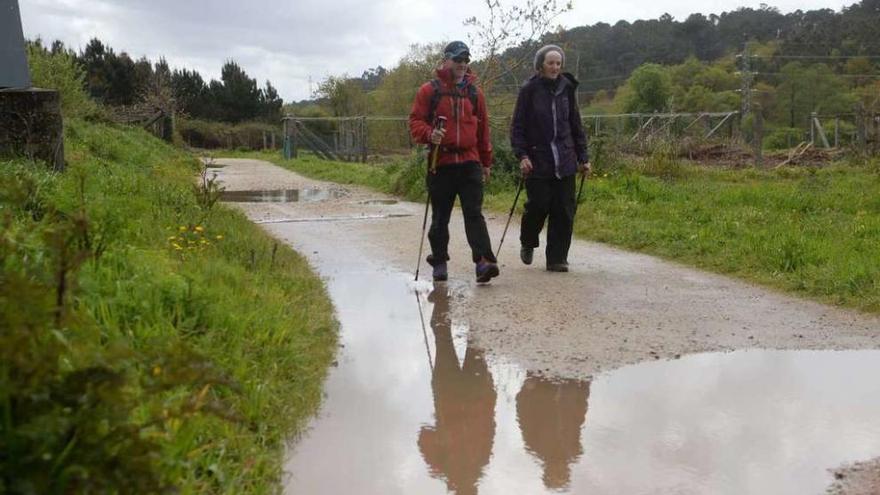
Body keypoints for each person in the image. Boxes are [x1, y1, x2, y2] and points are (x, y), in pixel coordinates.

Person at [409, 41, 499, 283]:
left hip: (470, 161)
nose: (462, 64)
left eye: (465, 60)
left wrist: (486, 162)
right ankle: (439, 260)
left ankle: (484, 262)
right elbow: (415, 122)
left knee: (474, 213)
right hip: (441, 161)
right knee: (440, 216)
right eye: (457, 59)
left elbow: (483, 131)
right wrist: (430, 134)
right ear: (445, 61)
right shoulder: (429, 91)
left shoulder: (474, 93)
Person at [510, 44, 591, 272]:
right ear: (540, 66)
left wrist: (583, 157)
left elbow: (576, 125)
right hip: (538, 159)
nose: (555, 67)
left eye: (558, 63)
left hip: (565, 159)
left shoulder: (567, 89)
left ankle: (557, 258)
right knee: (538, 205)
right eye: (550, 63)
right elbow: (518, 126)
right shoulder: (529, 90)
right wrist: (522, 155)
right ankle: (528, 241)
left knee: (564, 211)